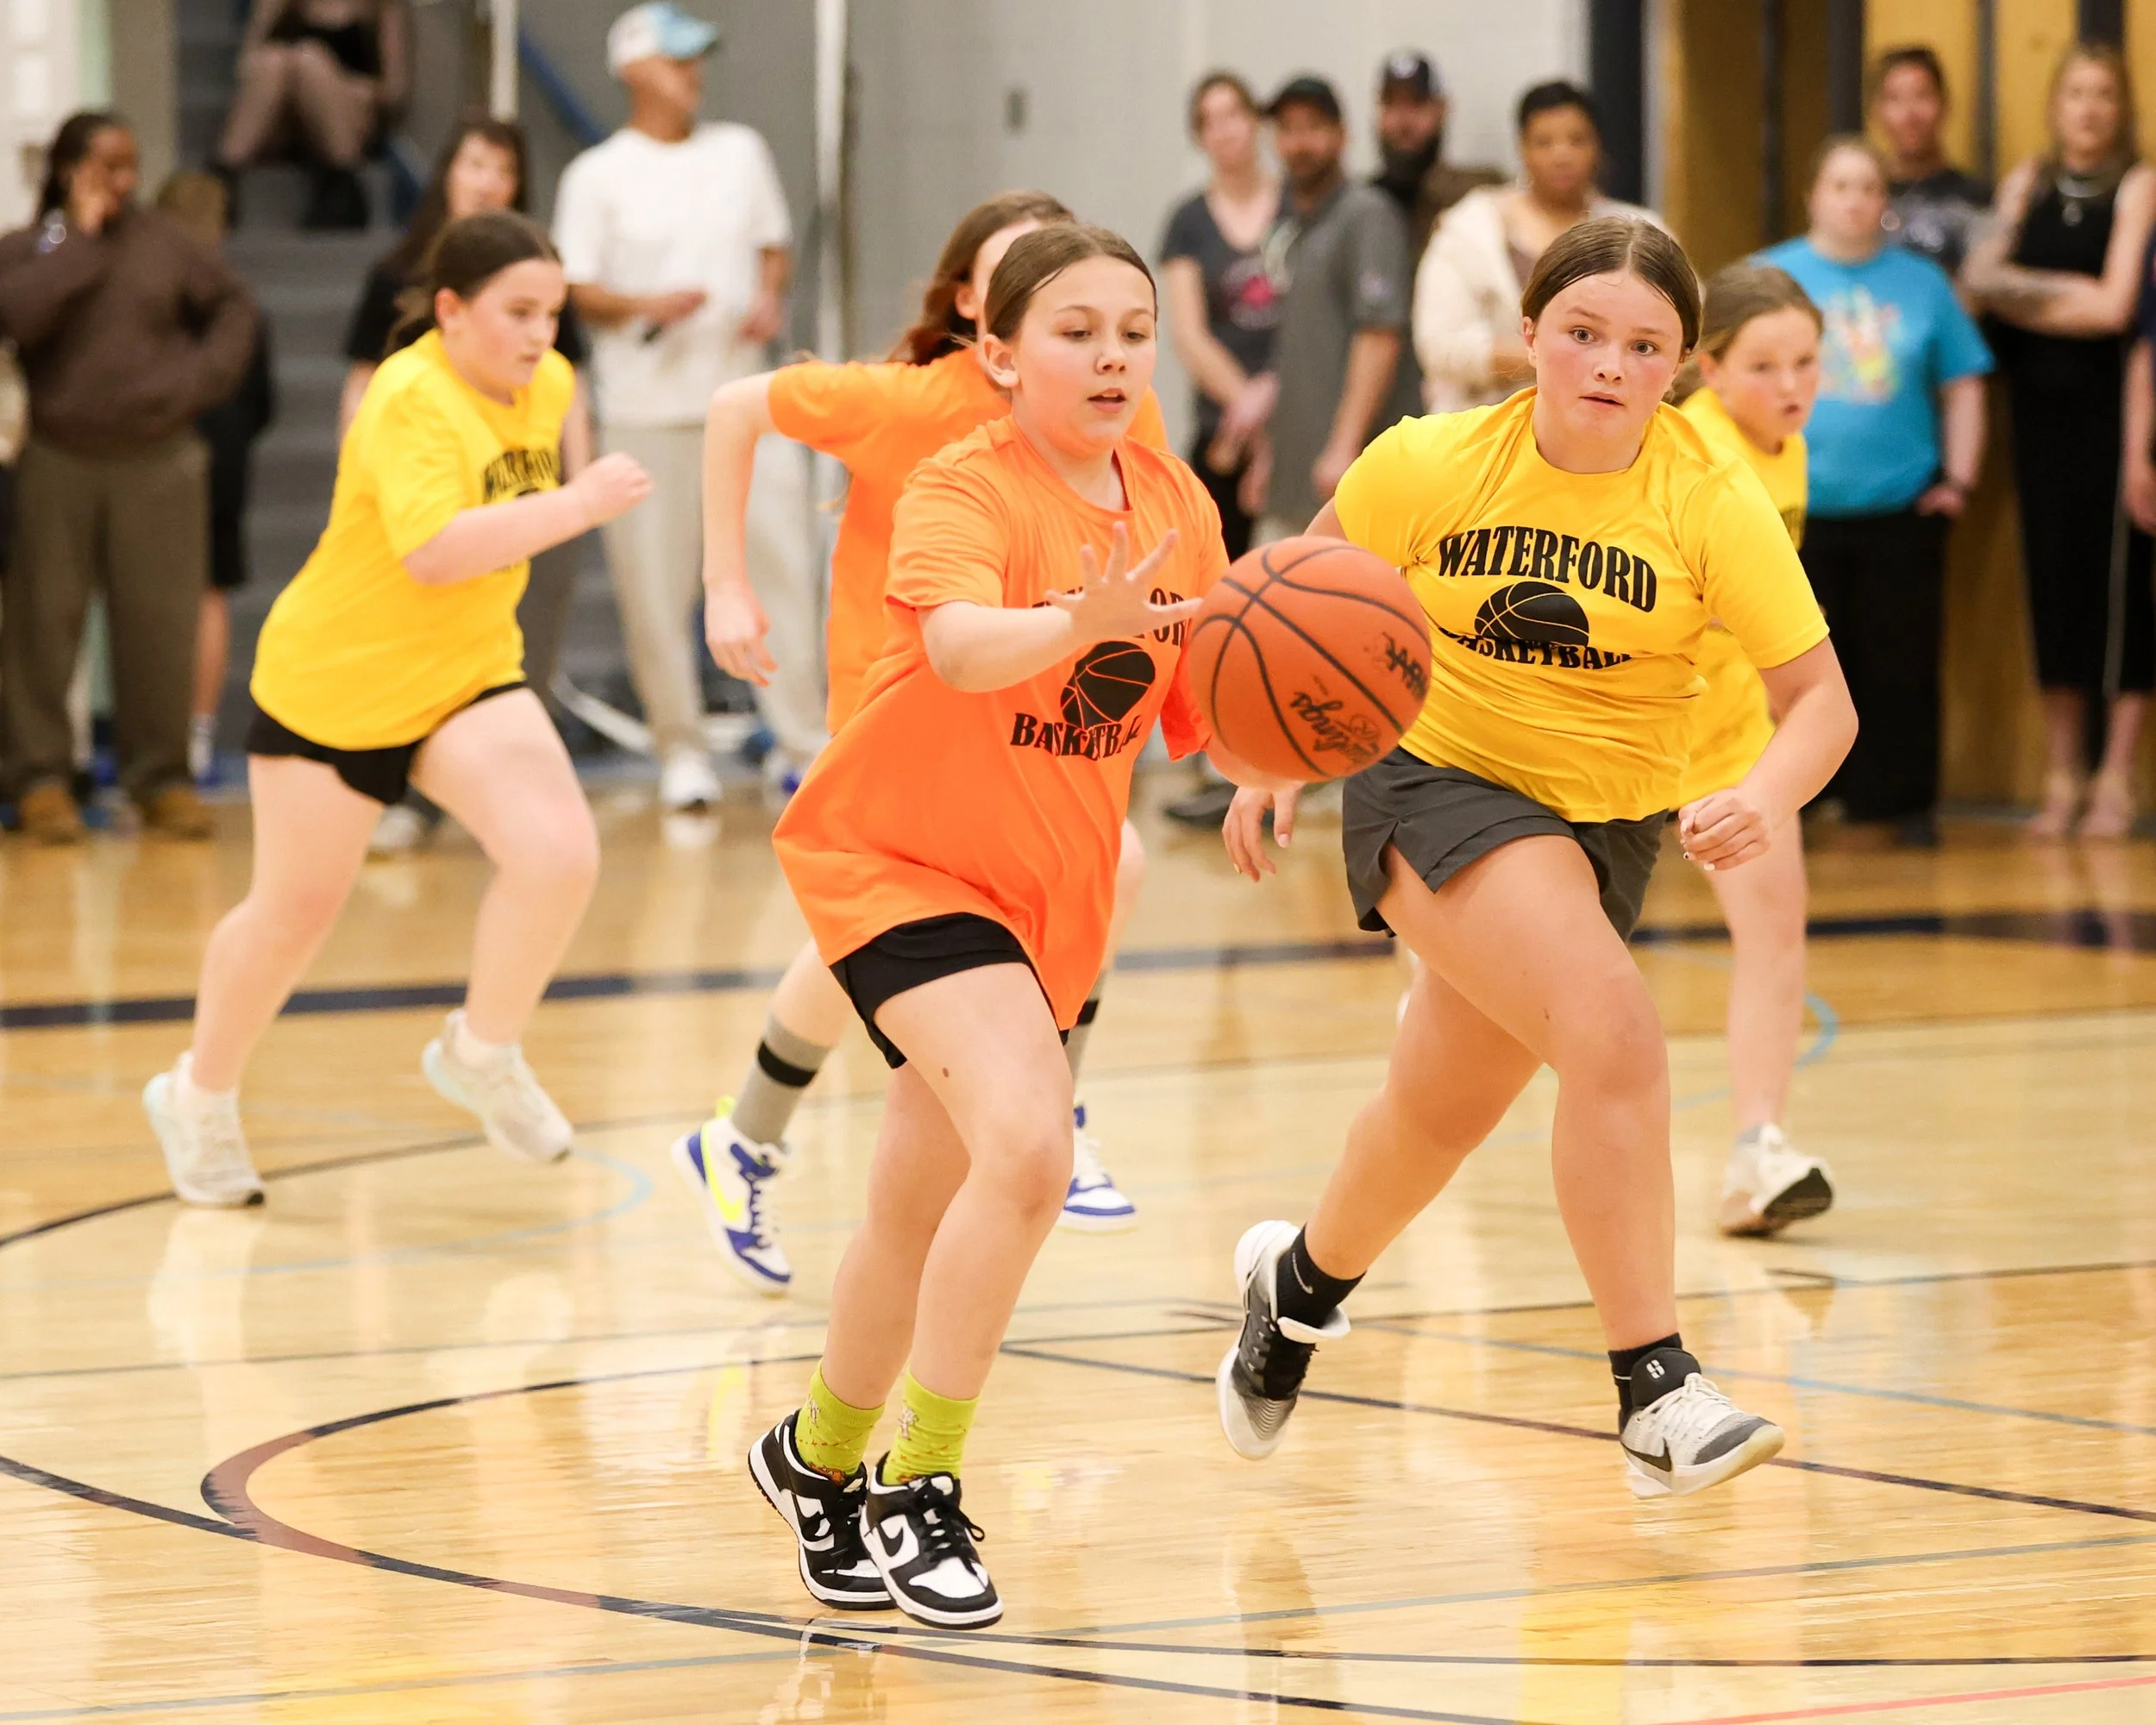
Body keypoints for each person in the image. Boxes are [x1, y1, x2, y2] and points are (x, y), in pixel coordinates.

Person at [1217, 217, 1857, 1502]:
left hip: (1604, 827)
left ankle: (1293, 1293)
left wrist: (1763, 794)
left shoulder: (1709, 499)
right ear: (1529, 337)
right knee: (1616, 1035)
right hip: (1432, 783)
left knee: (1433, 1116)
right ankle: (1655, 1387)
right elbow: (1285, 593)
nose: (1609, 365)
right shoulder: (1434, 461)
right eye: (1583, 334)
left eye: (1644, 345)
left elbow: (1823, 701)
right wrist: (1266, 754)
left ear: (1678, 366)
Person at [743, 223, 1286, 1628]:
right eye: (1075, 330)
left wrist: (1266, 761)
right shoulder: (961, 481)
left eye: (1133, 329)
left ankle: (814, 1459)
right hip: (899, 866)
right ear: (997, 352)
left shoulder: (1176, 500)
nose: (1112, 354)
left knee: (913, 1212)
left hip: (1049, 905)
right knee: (1034, 1152)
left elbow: (1196, 706)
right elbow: (958, 645)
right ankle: (918, 1484)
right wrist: (1073, 616)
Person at [688, 192, 1173, 1289]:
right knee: (920, 918)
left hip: (1034, 711)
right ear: (980, 315)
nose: (1096, 342)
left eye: (1116, 324)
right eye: (1043, 298)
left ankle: (749, 1136)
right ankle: (1047, 1105)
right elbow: (732, 405)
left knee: (979, 916)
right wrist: (727, 583)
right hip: (900, 701)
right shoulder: (911, 404)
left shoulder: (1120, 419)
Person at [141, 211, 651, 1207]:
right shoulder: (407, 397)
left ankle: (482, 1049)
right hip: (339, 681)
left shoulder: (547, 383)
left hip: (464, 671)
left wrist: (569, 499)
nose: (540, 333)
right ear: (452, 310)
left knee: (559, 854)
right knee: (294, 913)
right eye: (516, 311)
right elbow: (436, 552)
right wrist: (580, 503)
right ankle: (197, 1095)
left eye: (551, 311)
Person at [554, 2, 824, 812]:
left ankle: (804, 745)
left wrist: (769, 298)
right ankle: (680, 748)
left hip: (747, 402)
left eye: (698, 58)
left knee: (781, 572)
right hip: (646, 411)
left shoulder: (740, 152)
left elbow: (773, 247)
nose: (693, 73)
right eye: (676, 60)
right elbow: (577, 287)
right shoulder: (597, 175)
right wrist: (647, 304)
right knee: (655, 589)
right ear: (635, 68)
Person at [0, 112, 258, 844]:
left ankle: (162, 779)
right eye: (107, 167)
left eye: (130, 165)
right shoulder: (37, 245)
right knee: (41, 625)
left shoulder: (165, 241)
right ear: (68, 169)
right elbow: (16, 315)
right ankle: (39, 780)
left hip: (159, 459)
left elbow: (235, 307)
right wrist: (79, 237)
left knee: (159, 623)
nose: (123, 182)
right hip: (59, 457)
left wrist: (197, 382)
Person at [342, 114, 598, 854]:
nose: (488, 181)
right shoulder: (399, 279)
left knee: (521, 651)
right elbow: (361, 387)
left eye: (504, 169)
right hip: (432, 500)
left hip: (519, 493)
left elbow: (567, 382)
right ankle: (402, 794)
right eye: (476, 164)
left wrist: (576, 490)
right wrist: (363, 475)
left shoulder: (538, 279)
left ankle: (507, 799)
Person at [1166, 73, 1414, 828]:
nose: (1300, 142)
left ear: (1342, 134)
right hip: (1295, 457)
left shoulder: (1366, 213)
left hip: (1352, 466)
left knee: (1344, 625)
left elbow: (1378, 333)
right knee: (1292, 627)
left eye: (1316, 127)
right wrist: (1279, 445)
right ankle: (1270, 767)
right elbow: (1296, 355)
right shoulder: (1300, 225)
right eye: (1290, 128)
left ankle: (1343, 773)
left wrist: (1342, 444)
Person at [1760, 137, 1990, 844]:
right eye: (1840, 185)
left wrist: (1959, 479)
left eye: (1868, 187)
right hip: (1793, 512)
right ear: (1813, 195)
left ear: (1884, 202)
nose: (1855, 200)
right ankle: (1787, 800)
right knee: (1792, 668)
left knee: (1902, 662)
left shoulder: (1923, 284)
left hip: (1900, 508)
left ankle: (1899, 801)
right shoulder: (1771, 278)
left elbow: (1963, 383)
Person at [1672, 265, 1835, 1235]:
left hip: (1734, 739)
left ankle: (1756, 1153)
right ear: (1709, 367)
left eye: (1806, 361)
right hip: (1625, 724)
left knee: (1776, 938)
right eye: (1765, 364)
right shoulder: (1686, 447)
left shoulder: (1788, 447)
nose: (1791, 383)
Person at [1965, 44, 2156, 839]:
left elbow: (2114, 307)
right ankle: (2061, 773)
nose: (2088, 108)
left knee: (2120, 601)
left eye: (2103, 94)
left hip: (2120, 423)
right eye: (2075, 93)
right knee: (2053, 592)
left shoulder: (2139, 186)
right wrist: (2043, 291)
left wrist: (2021, 294)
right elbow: (1978, 279)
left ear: (2121, 106)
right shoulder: (2028, 184)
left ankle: (2115, 779)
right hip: (2038, 426)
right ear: (2056, 103)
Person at [1414, 81, 1658, 413]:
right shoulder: (1470, 229)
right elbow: (1442, 346)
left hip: (1605, 423)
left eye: (1577, 140)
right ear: (1522, 148)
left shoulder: (1640, 231)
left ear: (1598, 146)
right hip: (1485, 423)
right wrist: (1556, 360)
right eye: (1544, 142)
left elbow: (1679, 330)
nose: (1561, 155)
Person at [154, 172, 278, 788]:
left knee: (155, 595)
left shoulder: (155, 302)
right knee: (209, 594)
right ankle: (197, 730)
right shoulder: (241, 302)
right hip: (224, 464)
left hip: (160, 459)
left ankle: (159, 731)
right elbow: (262, 403)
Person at [1160, 72, 1280, 564]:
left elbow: (1317, 322)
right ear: (1200, 138)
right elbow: (1189, 334)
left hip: (1299, 413)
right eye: (1210, 122)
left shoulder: (1299, 204)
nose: (1225, 130)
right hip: (1224, 425)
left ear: (1256, 121)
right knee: (1220, 573)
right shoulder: (1188, 221)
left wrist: (1274, 393)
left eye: (1234, 114)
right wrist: (1247, 405)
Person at [216, 0, 410, 229]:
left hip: (346, 117)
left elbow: (395, 91)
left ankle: (342, 184)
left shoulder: (381, 6)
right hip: (285, 119)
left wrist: (354, 88)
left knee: (309, 60)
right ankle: (221, 178)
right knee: (273, 62)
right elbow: (246, 64)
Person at [1370, 51, 1505, 265]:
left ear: (1441, 109)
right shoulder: (1362, 205)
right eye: (1391, 104)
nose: (1403, 121)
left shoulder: (1478, 194)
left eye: (1416, 104)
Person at [1871, 45, 1993, 279]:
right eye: (1895, 99)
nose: (1909, 114)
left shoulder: (1976, 199)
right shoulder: (1865, 197)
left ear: (1944, 104)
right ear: (1877, 110)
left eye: (1921, 96)